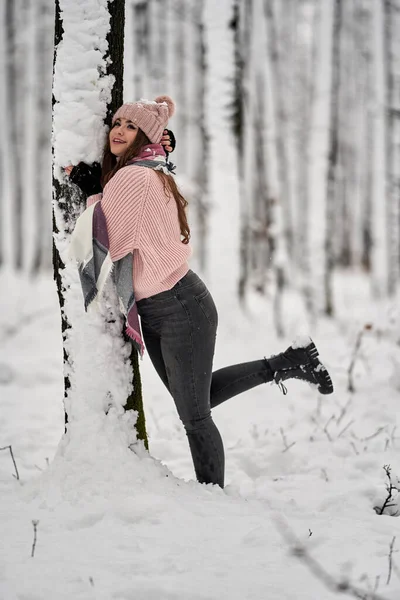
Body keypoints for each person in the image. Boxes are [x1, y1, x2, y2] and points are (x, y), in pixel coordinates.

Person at [67, 95, 333, 489]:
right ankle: (291, 361)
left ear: (144, 138)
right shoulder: (144, 167)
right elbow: (124, 208)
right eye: (117, 124)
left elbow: (110, 241)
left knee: (195, 417)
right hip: (166, 306)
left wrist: (91, 191)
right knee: (195, 400)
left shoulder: (134, 177)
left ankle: (214, 499)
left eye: (130, 126)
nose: (119, 131)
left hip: (180, 307)